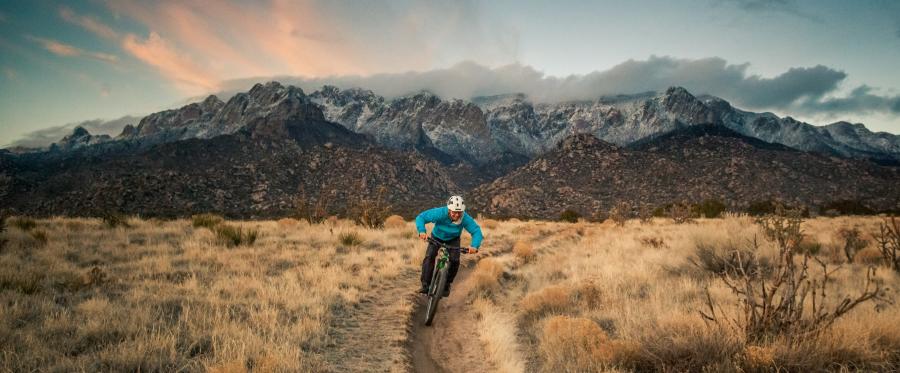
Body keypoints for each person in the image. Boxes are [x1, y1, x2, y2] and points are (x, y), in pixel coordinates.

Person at [415, 195, 483, 296]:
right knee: (429, 257)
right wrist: (422, 231)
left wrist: (474, 246)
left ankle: (446, 285)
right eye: (454, 212)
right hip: (436, 237)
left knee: (455, 261)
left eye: (459, 212)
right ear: (449, 209)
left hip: (453, 239)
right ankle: (425, 285)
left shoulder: (465, 218)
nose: (456, 215)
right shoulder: (440, 213)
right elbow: (421, 217)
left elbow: (476, 231)